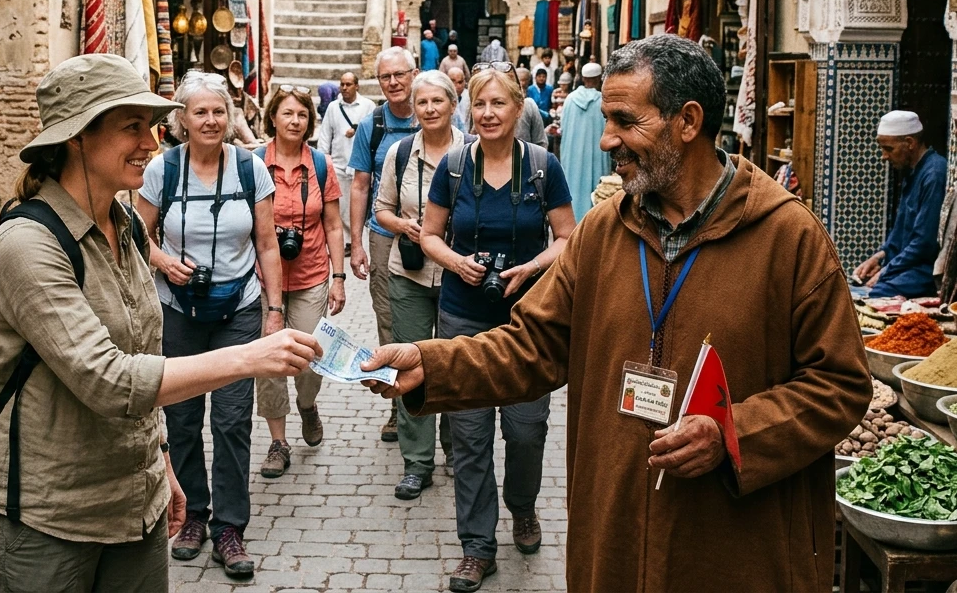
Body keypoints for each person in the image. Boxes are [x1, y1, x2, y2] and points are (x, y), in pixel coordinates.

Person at [361, 34, 871, 592]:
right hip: (617, 536)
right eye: (606, 120)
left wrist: (734, 433)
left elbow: (838, 385)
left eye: (625, 121)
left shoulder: (787, 236)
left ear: (688, 120)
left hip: (733, 545)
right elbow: (531, 346)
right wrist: (430, 365)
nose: (607, 140)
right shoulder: (604, 233)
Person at [0, 54, 321, 593]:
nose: (151, 143)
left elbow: (143, 351)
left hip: (133, 507)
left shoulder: (124, 223)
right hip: (49, 518)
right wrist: (250, 357)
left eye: (153, 127)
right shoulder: (28, 244)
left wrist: (160, 466)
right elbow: (109, 379)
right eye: (132, 127)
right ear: (78, 139)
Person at [417, 67, 574, 592]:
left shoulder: (542, 167)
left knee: (527, 429)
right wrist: (456, 263)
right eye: (479, 104)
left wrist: (531, 269)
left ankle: (523, 506)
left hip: (530, 321)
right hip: (463, 317)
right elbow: (430, 234)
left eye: (498, 104)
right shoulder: (456, 167)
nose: (487, 113)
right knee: (469, 435)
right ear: (470, 109)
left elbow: (567, 237)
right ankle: (477, 546)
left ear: (517, 108)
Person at [136, 70, 286, 578]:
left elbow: (267, 244)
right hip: (178, 310)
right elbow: (139, 235)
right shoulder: (162, 170)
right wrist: (163, 263)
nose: (211, 120)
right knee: (180, 418)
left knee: (231, 417)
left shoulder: (251, 169)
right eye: (200, 112)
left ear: (231, 116)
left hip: (238, 307)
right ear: (181, 120)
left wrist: (274, 309)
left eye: (219, 111)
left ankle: (230, 527)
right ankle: (193, 514)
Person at [374, 71, 465, 501]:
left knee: (453, 362)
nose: (429, 109)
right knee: (407, 367)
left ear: (452, 104)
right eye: (422, 102)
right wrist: (407, 227)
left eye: (437, 102)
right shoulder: (399, 153)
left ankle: (456, 447)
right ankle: (417, 462)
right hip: (408, 273)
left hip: (457, 276)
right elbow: (382, 210)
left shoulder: (472, 151)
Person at [256, 85, 347, 479]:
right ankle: (278, 441)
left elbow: (332, 224)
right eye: (288, 113)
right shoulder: (255, 163)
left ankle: (308, 405)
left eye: (303, 115)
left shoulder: (321, 165)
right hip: (263, 281)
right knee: (269, 362)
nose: (295, 121)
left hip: (311, 275)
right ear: (272, 117)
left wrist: (339, 278)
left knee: (310, 359)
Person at [349, 46, 421, 442]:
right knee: (389, 322)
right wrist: (356, 243)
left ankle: (437, 400)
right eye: (386, 77)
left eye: (400, 74)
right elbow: (360, 185)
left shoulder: (432, 112)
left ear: (414, 74)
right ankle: (399, 405)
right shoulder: (372, 124)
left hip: (433, 236)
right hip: (384, 236)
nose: (393, 83)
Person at [853, 110, 948, 297]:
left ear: (910, 143)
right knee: (858, 286)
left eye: (889, 149)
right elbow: (899, 234)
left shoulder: (934, 174)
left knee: (877, 294)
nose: (884, 156)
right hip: (907, 264)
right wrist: (879, 257)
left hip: (924, 269)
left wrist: (886, 272)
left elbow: (923, 244)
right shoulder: (911, 173)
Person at [318, 72, 375, 239]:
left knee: (356, 204)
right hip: (338, 164)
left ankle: (354, 238)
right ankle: (343, 240)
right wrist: (324, 161)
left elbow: (372, 133)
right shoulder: (333, 107)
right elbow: (325, 135)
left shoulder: (368, 106)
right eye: (342, 84)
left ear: (356, 86)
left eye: (348, 84)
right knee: (340, 205)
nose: (344, 88)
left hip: (360, 165)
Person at [560, 62, 611, 221]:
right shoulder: (602, 102)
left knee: (573, 190)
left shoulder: (570, 100)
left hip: (573, 159)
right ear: (598, 79)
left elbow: (563, 128)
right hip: (595, 157)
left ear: (583, 78)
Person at [510, 67, 547, 148]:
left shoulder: (529, 103)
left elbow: (541, 142)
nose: (521, 83)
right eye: (519, 80)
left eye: (524, 80)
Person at [448, 66, 470, 132]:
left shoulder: (469, 97)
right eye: (453, 81)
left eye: (460, 82)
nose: (456, 86)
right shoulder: (441, 100)